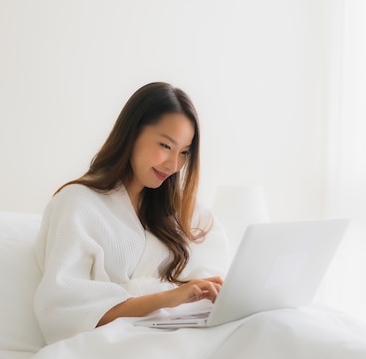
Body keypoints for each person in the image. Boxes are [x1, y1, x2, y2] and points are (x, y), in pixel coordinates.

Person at [34, 82, 227, 344]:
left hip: (179, 336)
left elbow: (213, 276)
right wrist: (169, 298)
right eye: (165, 146)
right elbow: (63, 311)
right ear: (132, 133)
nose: (174, 164)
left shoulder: (186, 212)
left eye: (184, 152)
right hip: (111, 344)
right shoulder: (77, 204)